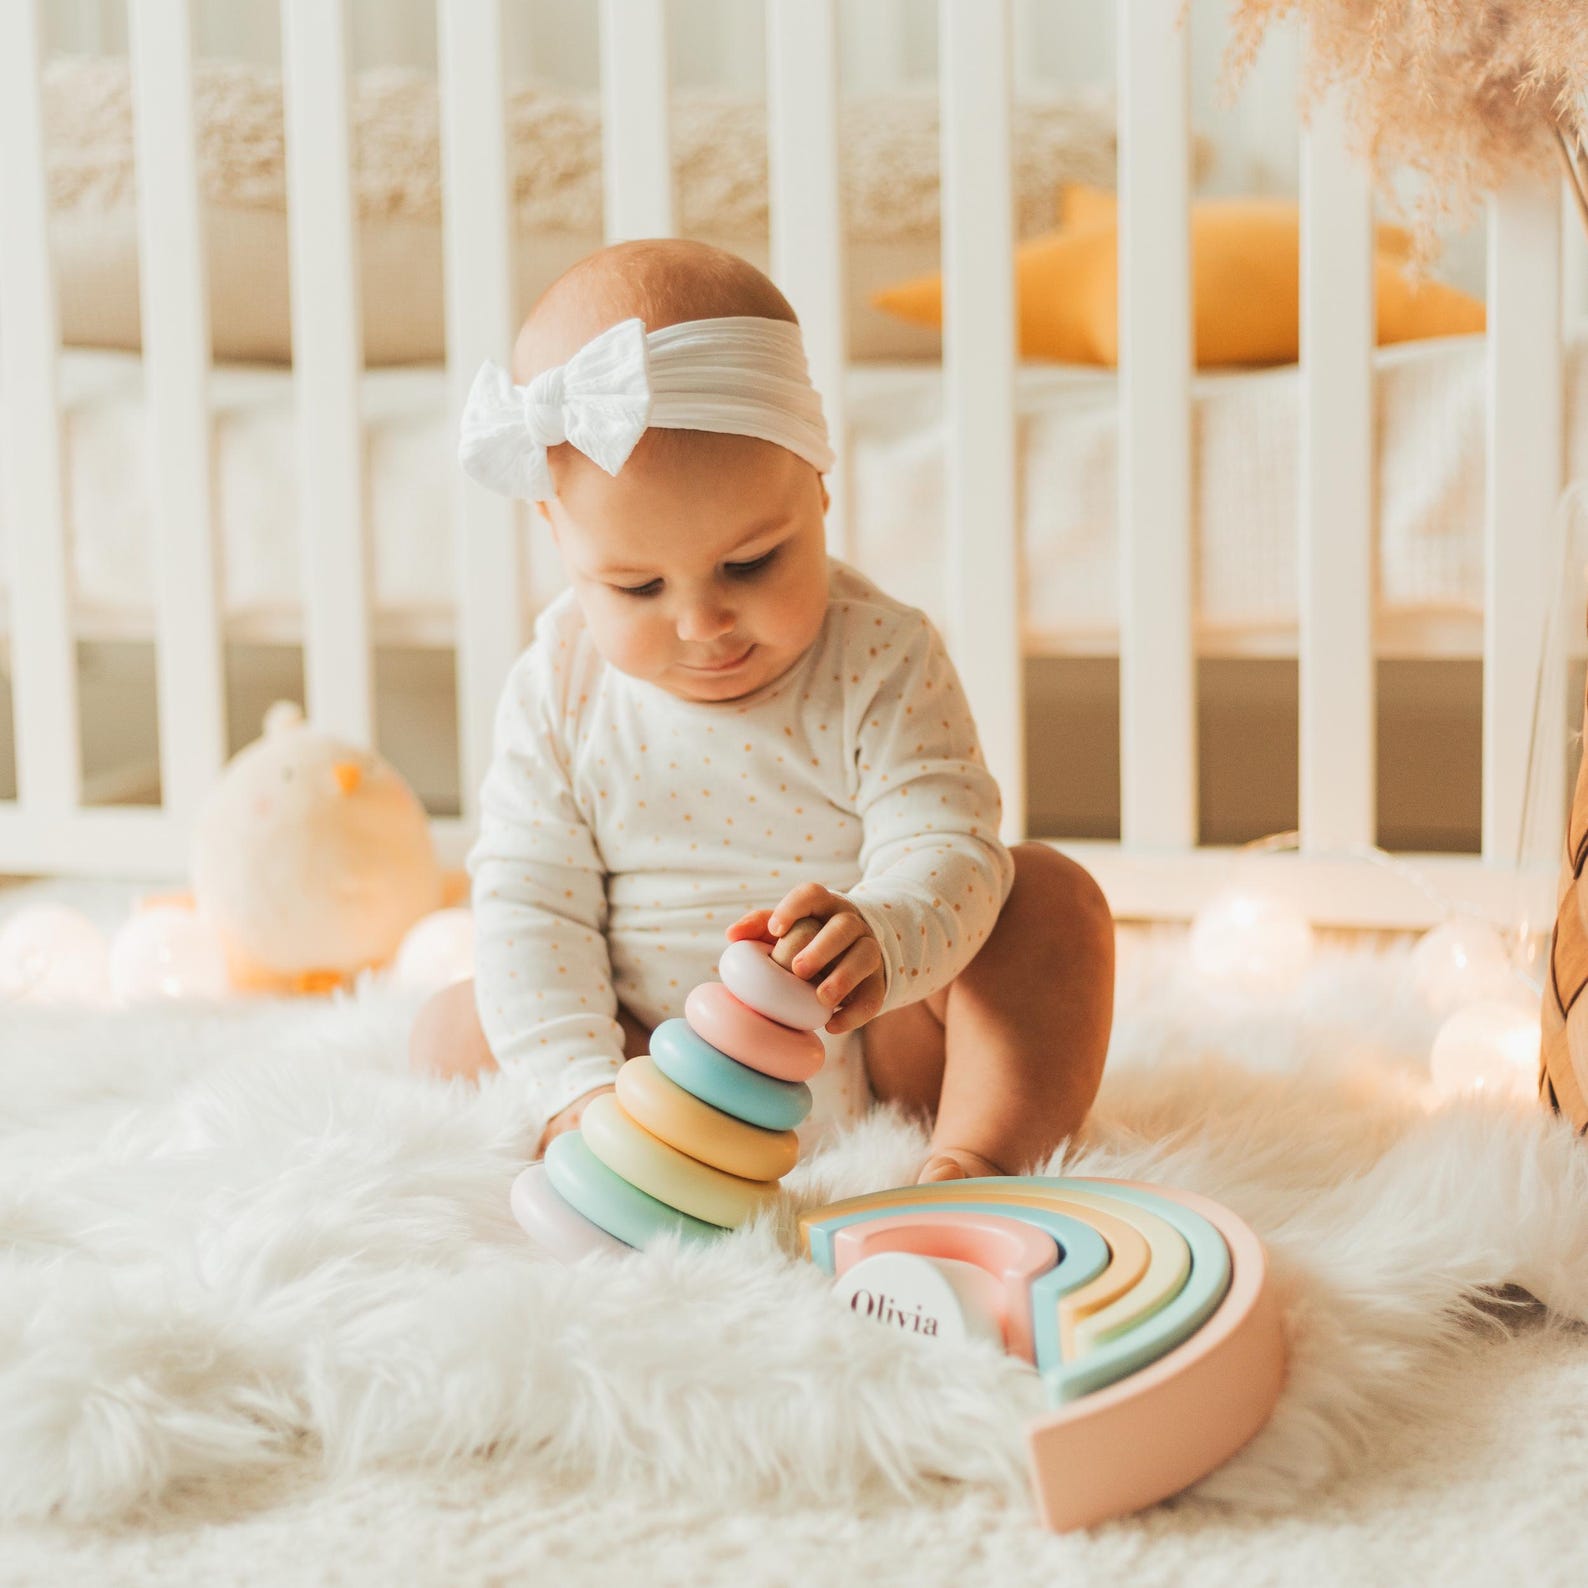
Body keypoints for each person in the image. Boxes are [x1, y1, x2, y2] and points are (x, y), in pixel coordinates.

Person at [409, 238, 1114, 1184]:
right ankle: (605, 1129)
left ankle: (972, 1161)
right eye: (635, 585)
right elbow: (533, 900)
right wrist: (580, 1089)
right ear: (557, 535)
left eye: (751, 564)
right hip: (647, 1057)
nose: (702, 623)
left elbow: (947, 839)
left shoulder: (881, 657)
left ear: (819, 490)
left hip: (872, 1041)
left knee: (1050, 901)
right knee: (459, 1016)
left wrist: (886, 933)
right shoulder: (558, 685)